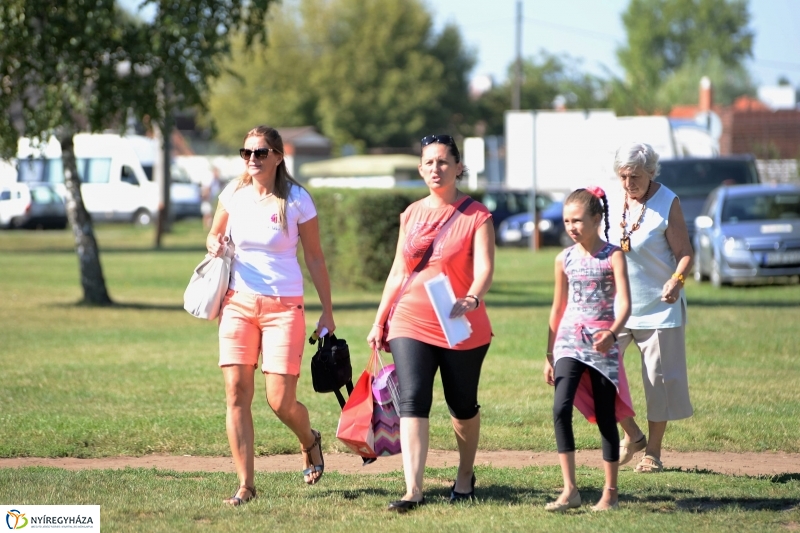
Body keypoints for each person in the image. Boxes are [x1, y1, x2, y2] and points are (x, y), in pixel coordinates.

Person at [206, 125, 335, 505]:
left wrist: (327, 311)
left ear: (278, 156)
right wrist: (215, 243)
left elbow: (314, 257)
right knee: (236, 394)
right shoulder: (233, 193)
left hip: (284, 308)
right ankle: (245, 485)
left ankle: (309, 439)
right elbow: (213, 235)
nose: (252, 160)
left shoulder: (296, 200)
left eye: (260, 153)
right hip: (237, 304)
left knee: (279, 401)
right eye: (246, 152)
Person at [366, 134, 494, 513]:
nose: (435, 169)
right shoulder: (411, 213)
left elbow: (485, 268)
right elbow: (397, 272)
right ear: (420, 169)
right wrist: (380, 320)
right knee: (413, 398)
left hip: (460, 323)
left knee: (462, 406)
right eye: (428, 163)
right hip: (411, 318)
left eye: (443, 162)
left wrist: (472, 297)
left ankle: (465, 475)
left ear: (458, 167)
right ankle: (413, 490)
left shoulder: (477, 215)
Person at [543, 186, 633, 512]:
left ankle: (610, 493)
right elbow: (557, 308)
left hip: (602, 345)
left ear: (597, 219)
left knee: (606, 417)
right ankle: (570, 490)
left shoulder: (613, 255)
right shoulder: (563, 259)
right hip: (568, 342)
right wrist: (549, 353)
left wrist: (612, 332)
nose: (572, 227)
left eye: (578, 220)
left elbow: (625, 300)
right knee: (559, 409)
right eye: (567, 221)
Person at [610, 142, 694, 474]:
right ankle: (632, 435)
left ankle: (653, 453)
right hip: (617, 308)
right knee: (598, 371)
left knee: (659, 381)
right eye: (623, 176)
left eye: (636, 176)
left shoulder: (666, 201)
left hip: (660, 306)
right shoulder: (611, 200)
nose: (629, 183)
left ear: (651, 172)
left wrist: (677, 279)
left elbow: (685, 251)